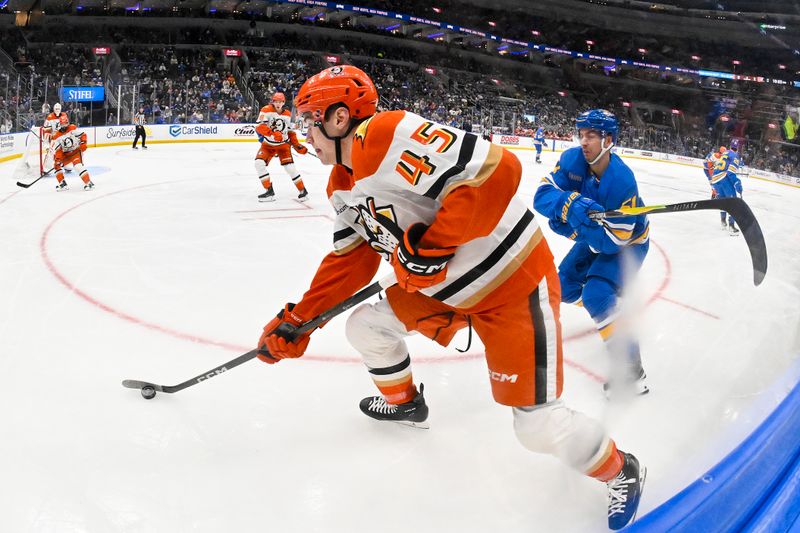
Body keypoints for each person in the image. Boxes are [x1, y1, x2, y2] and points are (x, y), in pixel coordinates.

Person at [255, 66, 645, 530]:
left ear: (339, 119)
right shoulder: (340, 183)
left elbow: (499, 170)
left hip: (510, 286)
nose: (305, 134)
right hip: (447, 292)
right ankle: (404, 402)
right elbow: (352, 261)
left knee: (537, 426)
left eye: (309, 120)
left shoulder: (384, 132)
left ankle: (622, 469)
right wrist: (299, 319)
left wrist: (433, 247)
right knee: (366, 326)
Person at [533, 109, 650, 399]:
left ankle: (633, 371)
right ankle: (611, 309)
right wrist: (570, 204)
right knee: (563, 288)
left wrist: (572, 227)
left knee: (597, 293)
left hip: (629, 243)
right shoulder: (573, 160)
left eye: (592, 136)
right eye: (582, 135)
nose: (583, 142)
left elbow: (612, 242)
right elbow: (541, 195)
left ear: (608, 140)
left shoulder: (622, 181)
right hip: (598, 235)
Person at [253, 92, 309, 202]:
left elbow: (290, 132)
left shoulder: (287, 114)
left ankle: (303, 191)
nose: (278, 104)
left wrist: (297, 144)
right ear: (272, 102)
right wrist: (272, 133)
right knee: (259, 164)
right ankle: (269, 192)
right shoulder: (266, 110)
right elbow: (259, 127)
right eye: (276, 101)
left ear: (283, 102)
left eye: (280, 101)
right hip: (267, 145)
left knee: (290, 168)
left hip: (283, 146)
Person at [51, 115, 94, 191]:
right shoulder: (56, 136)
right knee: (56, 165)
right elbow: (58, 150)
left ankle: (88, 183)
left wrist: (84, 143)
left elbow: (83, 135)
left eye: (66, 123)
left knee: (77, 166)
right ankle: (62, 184)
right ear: (60, 124)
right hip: (66, 154)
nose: (65, 125)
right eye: (63, 124)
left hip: (75, 152)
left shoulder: (72, 128)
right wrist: (58, 159)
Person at [711, 139, 743, 236]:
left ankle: (723, 222)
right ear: (738, 148)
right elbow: (730, 173)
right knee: (732, 202)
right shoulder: (735, 156)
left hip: (715, 179)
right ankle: (731, 226)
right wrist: (737, 183)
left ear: (730, 146)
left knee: (723, 201)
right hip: (723, 178)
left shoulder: (725, 153)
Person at [704, 146, 728, 229]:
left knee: (715, 183)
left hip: (711, 169)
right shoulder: (715, 156)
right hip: (707, 170)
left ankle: (714, 194)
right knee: (713, 183)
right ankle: (714, 195)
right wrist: (712, 173)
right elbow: (709, 166)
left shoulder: (720, 157)